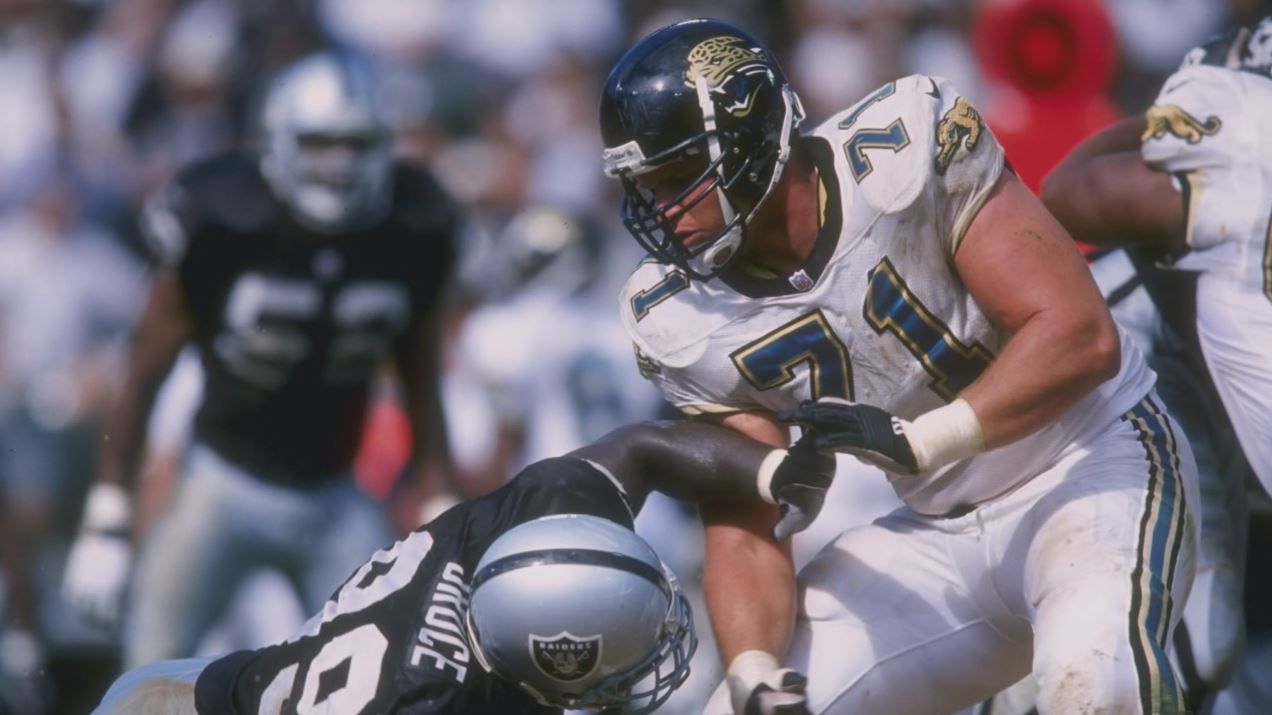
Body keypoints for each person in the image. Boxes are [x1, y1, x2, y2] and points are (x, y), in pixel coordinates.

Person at [600, 17, 1200, 715]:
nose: (662, 210)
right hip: (936, 530)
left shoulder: (898, 150)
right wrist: (754, 669)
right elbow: (749, 517)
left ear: (748, 140)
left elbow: (1078, 334)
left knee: (1097, 686)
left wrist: (922, 440)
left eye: (677, 176)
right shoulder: (679, 316)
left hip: (1091, 462)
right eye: (645, 186)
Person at [61, 51, 464, 670]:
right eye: (321, 143)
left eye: (356, 144)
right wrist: (107, 520)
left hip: (334, 493)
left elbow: (421, 378)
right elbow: (144, 372)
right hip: (221, 482)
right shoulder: (223, 215)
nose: (340, 164)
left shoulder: (414, 224)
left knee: (386, 679)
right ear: (279, 142)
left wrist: (444, 519)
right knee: (147, 679)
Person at [90, 418, 837, 714]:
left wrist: (779, 469)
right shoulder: (439, 699)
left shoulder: (534, 522)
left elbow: (642, 447)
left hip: (221, 680)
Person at [1040, 17, 1272, 711]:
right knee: (1170, 648)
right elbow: (1070, 194)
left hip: (1213, 372)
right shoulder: (1245, 162)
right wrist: (1160, 129)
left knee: (1201, 651)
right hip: (1146, 363)